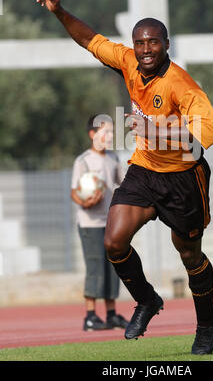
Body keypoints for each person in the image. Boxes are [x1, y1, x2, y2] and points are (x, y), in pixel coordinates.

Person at [36, 0, 213, 355]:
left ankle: (206, 323)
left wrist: (155, 132)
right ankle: (147, 300)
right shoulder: (129, 63)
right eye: (140, 43)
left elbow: (201, 142)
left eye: (154, 42)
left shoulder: (182, 85)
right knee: (113, 241)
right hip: (144, 171)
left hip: (184, 178)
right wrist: (59, 13)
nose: (146, 49)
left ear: (166, 45)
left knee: (189, 256)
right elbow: (91, 40)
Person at [71, 114, 128, 331]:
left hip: (110, 223)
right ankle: (90, 316)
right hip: (89, 224)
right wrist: (85, 202)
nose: (110, 135)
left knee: (112, 267)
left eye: (112, 131)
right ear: (92, 134)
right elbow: (75, 192)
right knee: (95, 267)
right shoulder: (83, 161)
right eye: (105, 131)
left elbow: (122, 184)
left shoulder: (113, 159)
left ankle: (112, 314)